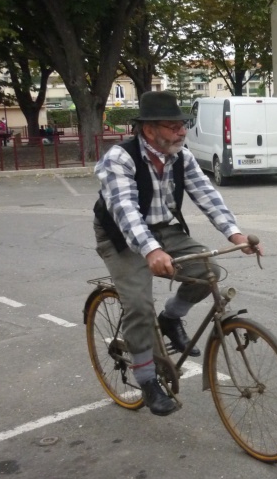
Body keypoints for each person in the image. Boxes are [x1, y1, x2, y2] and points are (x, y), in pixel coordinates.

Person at [93, 91, 261, 416]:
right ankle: (147, 381)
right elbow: (125, 210)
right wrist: (151, 251)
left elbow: (207, 194)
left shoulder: (180, 156)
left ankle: (171, 318)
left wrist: (236, 234)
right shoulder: (120, 158)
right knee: (139, 306)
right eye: (172, 126)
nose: (181, 131)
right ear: (148, 129)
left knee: (207, 271)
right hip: (120, 236)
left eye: (182, 124)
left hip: (162, 229)